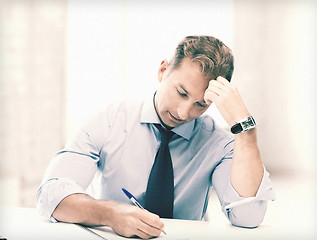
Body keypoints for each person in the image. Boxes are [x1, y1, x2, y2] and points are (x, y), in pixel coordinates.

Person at [36, 35, 275, 239]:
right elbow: (50, 195)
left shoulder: (219, 143)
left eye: (201, 105)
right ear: (163, 71)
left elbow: (248, 216)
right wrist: (109, 214)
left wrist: (245, 128)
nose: (184, 113)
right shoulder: (108, 121)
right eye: (181, 93)